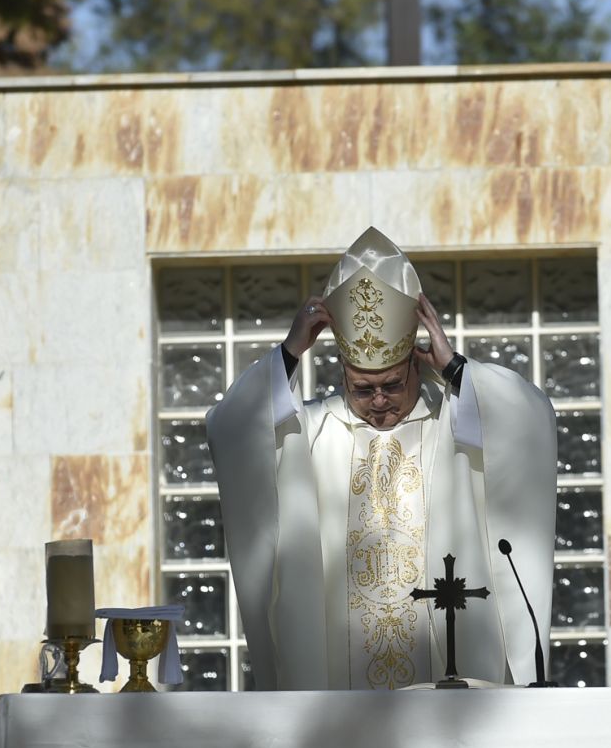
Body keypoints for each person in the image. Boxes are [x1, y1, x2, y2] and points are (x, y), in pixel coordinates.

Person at [206, 227, 557, 690]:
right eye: (362, 388)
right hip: (338, 683)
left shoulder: (453, 422)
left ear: (417, 362)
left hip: (446, 683)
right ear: (341, 373)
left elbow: (529, 417)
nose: (378, 401)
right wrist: (289, 355)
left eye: (391, 385)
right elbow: (231, 427)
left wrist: (454, 368)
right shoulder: (313, 431)